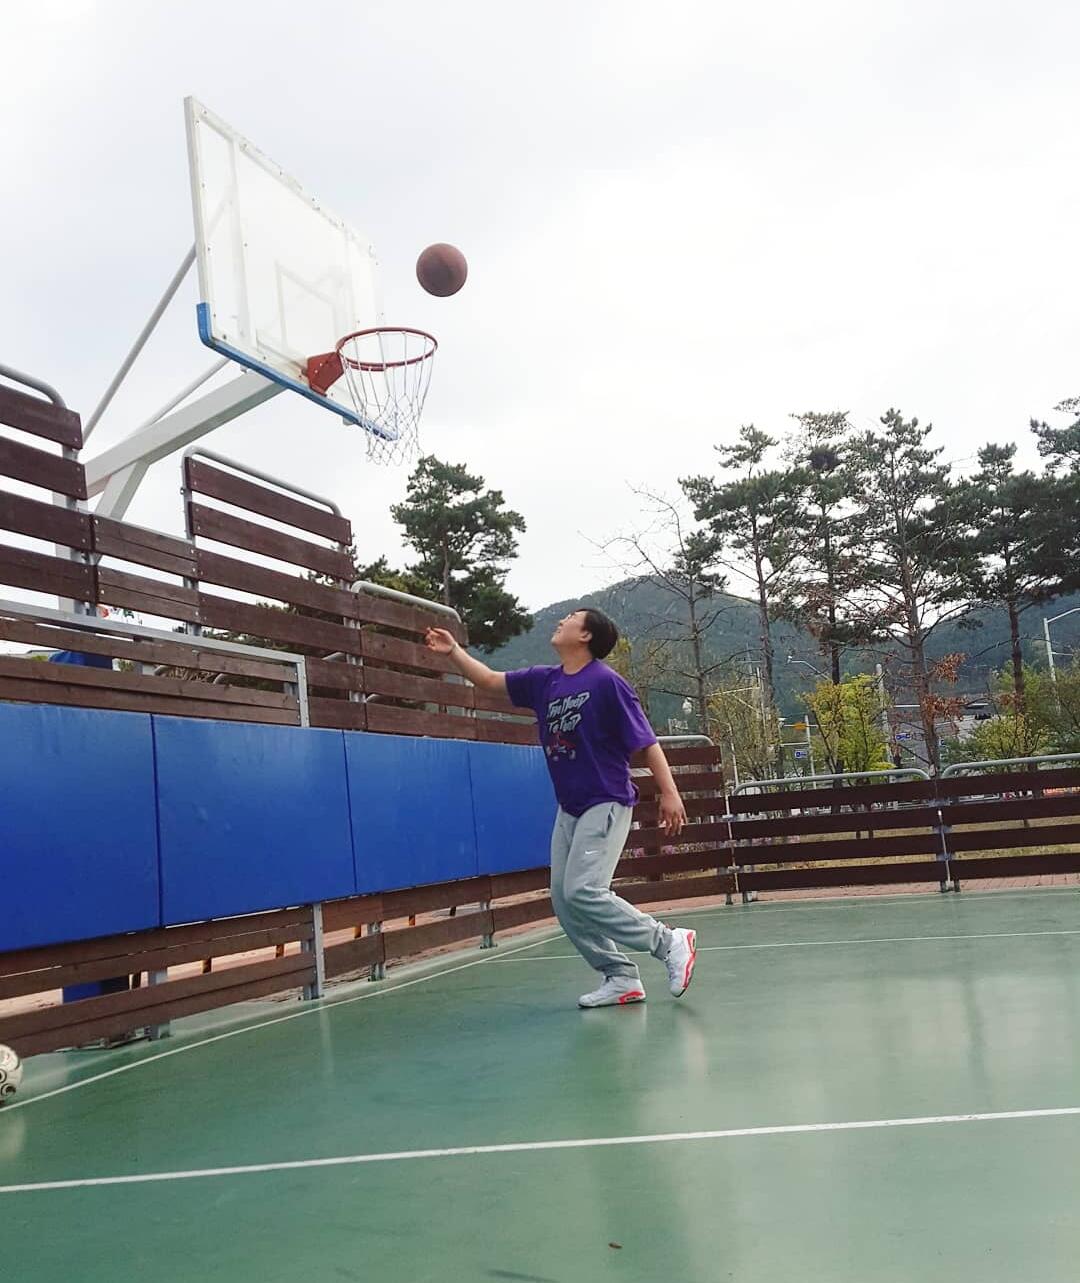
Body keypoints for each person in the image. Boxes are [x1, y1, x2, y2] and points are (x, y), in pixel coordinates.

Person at [426, 607, 697, 1008]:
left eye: (571, 617)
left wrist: (670, 793)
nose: (562, 620)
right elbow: (488, 680)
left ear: (586, 635)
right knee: (564, 900)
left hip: (605, 800)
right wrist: (453, 652)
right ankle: (620, 977)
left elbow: (647, 741)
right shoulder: (544, 681)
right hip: (569, 808)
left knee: (583, 891)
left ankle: (669, 941)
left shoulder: (607, 683)